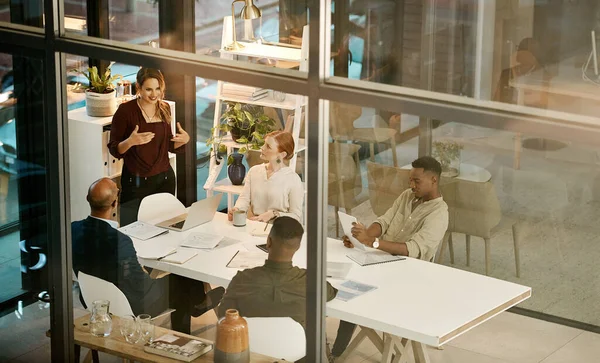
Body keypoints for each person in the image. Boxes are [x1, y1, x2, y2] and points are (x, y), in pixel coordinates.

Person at [329, 156, 449, 360]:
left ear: (433, 180)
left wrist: (372, 242)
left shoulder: (439, 214)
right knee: (342, 282)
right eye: (410, 180)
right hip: (380, 264)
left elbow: (412, 249)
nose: (411, 185)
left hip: (408, 277)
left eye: (416, 181)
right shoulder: (406, 196)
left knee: (352, 290)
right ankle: (335, 350)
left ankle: (335, 353)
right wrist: (362, 236)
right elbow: (384, 222)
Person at [72, 178, 223, 334]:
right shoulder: (120, 241)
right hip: (126, 305)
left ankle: (197, 303)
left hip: (92, 298)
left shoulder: (73, 229)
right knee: (181, 278)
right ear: (115, 203)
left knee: (176, 280)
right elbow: (140, 287)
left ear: (87, 199)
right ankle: (187, 327)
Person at [217, 216, 337, 328]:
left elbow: (223, 317)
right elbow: (330, 292)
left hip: (250, 347)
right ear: (298, 247)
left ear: (268, 242)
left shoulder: (242, 280)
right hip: (296, 349)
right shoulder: (311, 282)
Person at [108, 68, 190, 226]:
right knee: (132, 229)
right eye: (148, 89)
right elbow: (114, 149)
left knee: (167, 227)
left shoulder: (164, 107)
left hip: (165, 179)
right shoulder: (125, 111)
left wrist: (183, 140)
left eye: (158, 88)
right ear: (138, 88)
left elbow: (169, 146)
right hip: (136, 183)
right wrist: (131, 141)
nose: (154, 94)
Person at [228, 130, 303, 222]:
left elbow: (296, 216)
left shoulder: (293, 179)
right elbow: (244, 199)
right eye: (264, 144)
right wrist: (237, 209)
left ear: (282, 155)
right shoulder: (254, 171)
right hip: (254, 227)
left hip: (279, 231)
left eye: (268, 146)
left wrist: (274, 214)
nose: (262, 148)